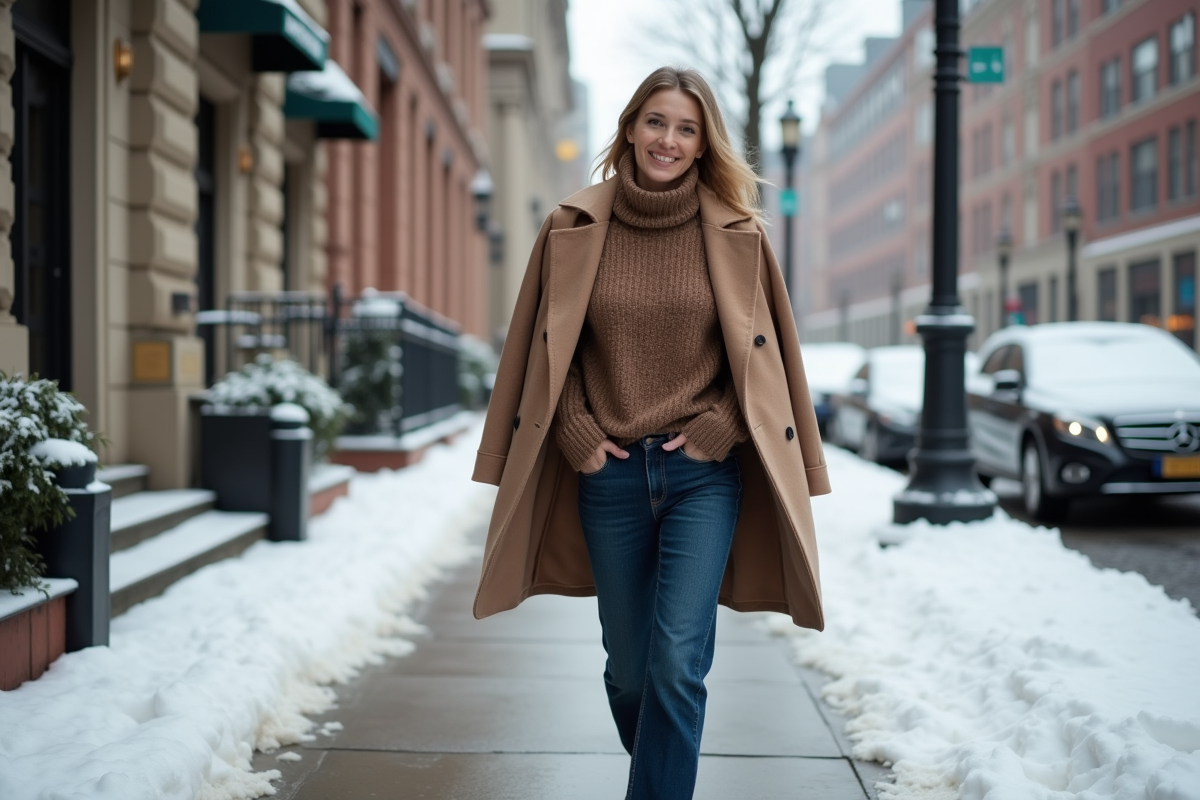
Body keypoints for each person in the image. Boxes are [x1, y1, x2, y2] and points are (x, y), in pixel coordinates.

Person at [470, 66, 831, 800]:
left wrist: (725, 423)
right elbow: (547, 343)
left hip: (704, 475)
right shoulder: (572, 227)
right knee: (631, 671)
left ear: (704, 147)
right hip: (608, 477)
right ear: (631, 128)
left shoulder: (739, 237)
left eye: (687, 129)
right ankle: (662, 768)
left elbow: (762, 356)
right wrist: (572, 424)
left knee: (676, 664)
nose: (669, 139)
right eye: (657, 122)